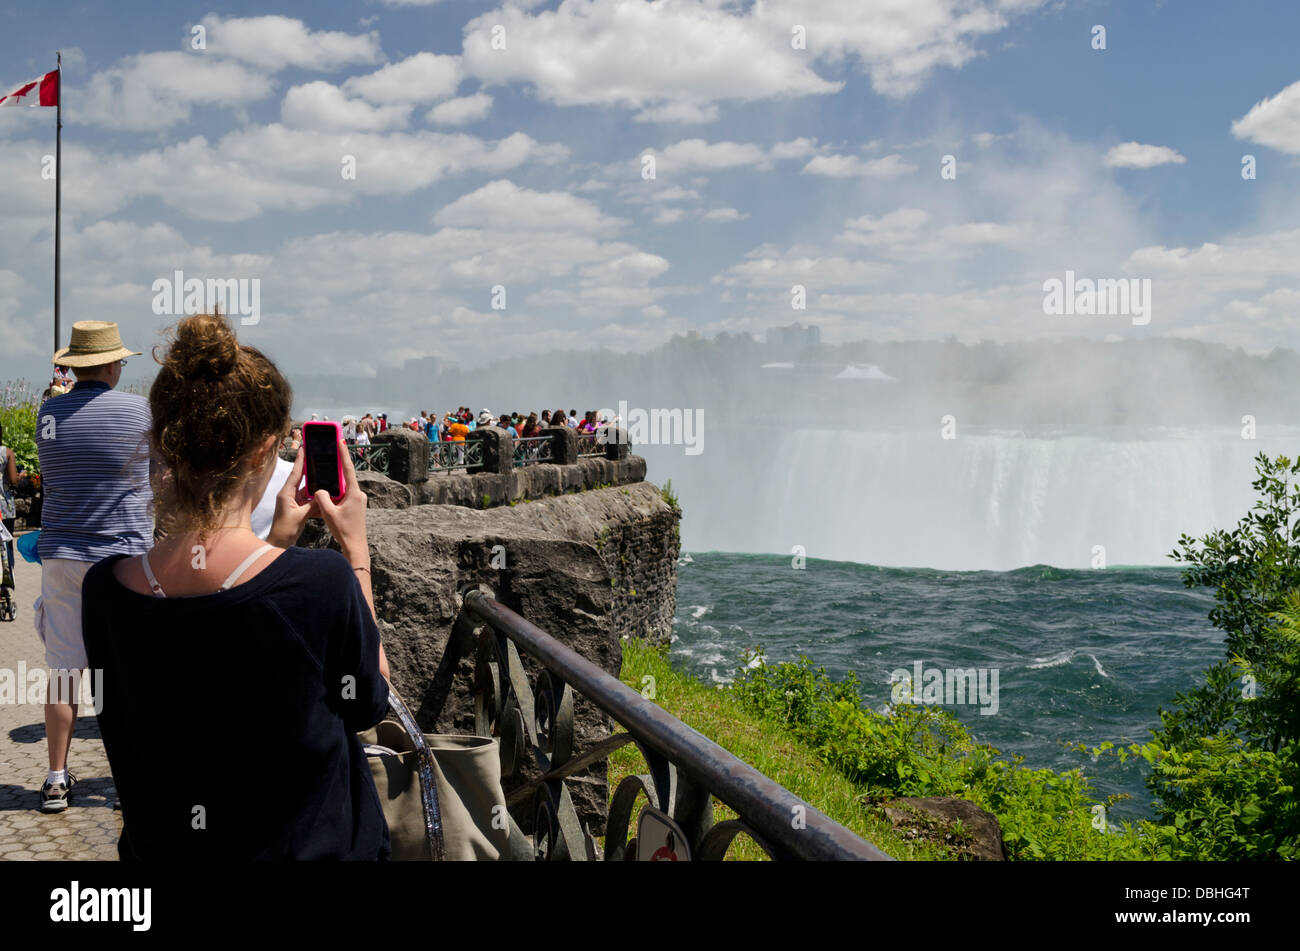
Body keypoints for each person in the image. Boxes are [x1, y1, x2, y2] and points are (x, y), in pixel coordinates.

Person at [81, 313, 391, 860]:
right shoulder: (322, 584)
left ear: (162, 443)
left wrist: (276, 542)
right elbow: (368, 700)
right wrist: (357, 555)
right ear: (261, 452)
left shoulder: (104, 590)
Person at [33, 321, 152, 813]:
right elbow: (157, 474)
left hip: (62, 552)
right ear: (110, 364)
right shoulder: (138, 411)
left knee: (63, 673)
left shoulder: (48, 414)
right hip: (121, 554)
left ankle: (56, 780)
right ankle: (128, 781)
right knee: (126, 674)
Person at [0, 422, 18, 573]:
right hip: (4, 508)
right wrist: (20, 477)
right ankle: (5, 583)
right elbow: (13, 480)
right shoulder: (7, 453)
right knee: (7, 544)